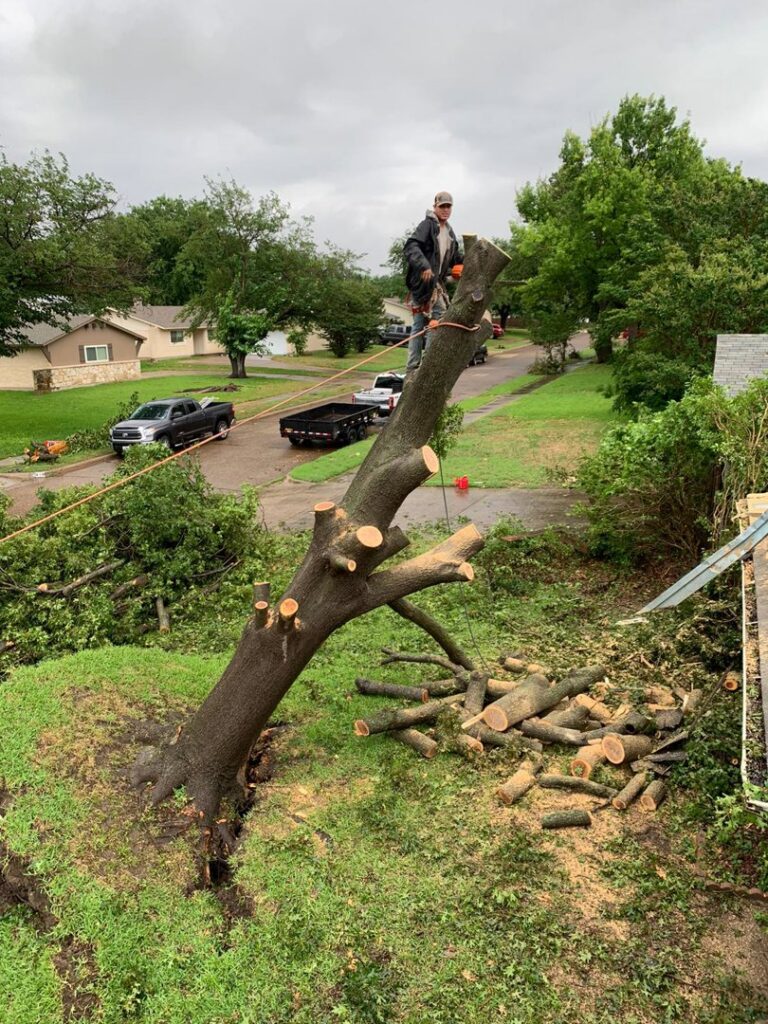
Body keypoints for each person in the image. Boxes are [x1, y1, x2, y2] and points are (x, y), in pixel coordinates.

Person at [403, 191, 463, 372]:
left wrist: (464, 265)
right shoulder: (427, 225)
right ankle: (420, 365)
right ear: (435, 207)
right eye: (442, 206)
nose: (445, 210)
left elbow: (455, 259)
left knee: (429, 323)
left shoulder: (450, 233)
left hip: (437, 284)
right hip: (423, 284)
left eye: (448, 206)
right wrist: (424, 266)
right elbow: (411, 246)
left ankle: (421, 365)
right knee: (428, 321)